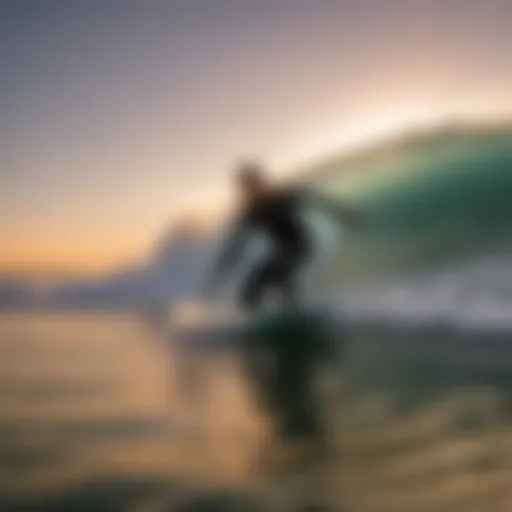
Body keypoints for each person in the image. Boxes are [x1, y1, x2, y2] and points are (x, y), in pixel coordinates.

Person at [204, 160, 362, 311]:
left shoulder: (280, 197)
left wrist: (343, 214)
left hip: (300, 245)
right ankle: (266, 317)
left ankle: (293, 312)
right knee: (251, 291)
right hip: (281, 251)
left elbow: (313, 199)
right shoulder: (251, 212)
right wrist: (219, 275)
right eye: (247, 187)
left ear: (260, 182)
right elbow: (237, 246)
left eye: (254, 183)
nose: (251, 190)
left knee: (280, 273)